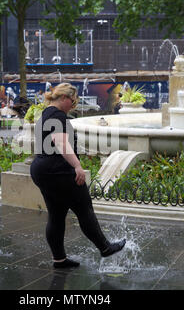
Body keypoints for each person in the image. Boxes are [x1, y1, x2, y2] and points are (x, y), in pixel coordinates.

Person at [30, 83, 126, 269]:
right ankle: (105, 248)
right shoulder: (57, 115)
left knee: (56, 215)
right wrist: (77, 166)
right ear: (65, 98)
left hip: (42, 169)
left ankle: (59, 259)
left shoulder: (46, 113)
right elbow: (60, 143)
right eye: (73, 103)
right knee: (84, 209)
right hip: (58, 170)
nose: (73, 107)